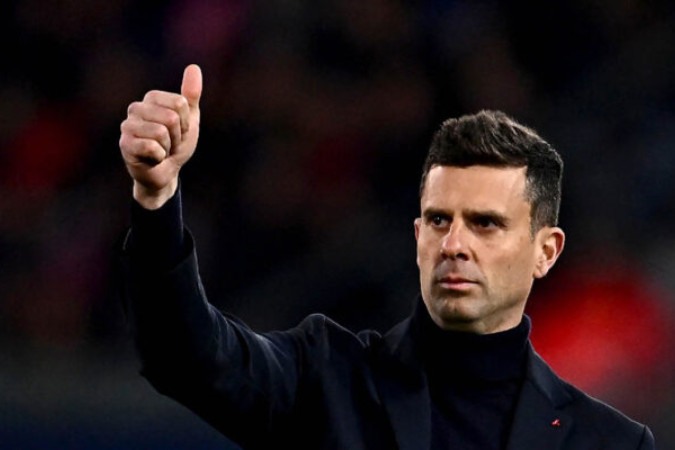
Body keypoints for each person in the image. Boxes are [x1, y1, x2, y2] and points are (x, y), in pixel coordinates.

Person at [119, 64, 655, 449]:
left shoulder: (609, 441)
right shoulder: (326, 379)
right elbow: (184, 358)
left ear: (546, 251)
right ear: (418, 233)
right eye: (440, 221)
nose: (454, 244)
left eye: (485, 223)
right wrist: (156, 199)